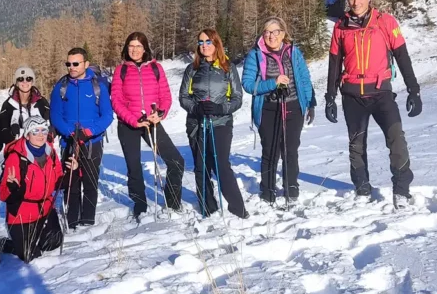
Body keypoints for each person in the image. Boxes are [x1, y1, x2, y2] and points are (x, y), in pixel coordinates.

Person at [324, 0, 422, 205]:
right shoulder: (340, 26)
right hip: (352, 95)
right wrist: (330, 97)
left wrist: (413, 90)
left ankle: (401, 189)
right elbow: (334, 63)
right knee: (356, 144)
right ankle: (362, 188)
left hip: (381, 93)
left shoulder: (386, 22)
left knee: (396, 138)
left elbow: (402, 57)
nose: (355, 2)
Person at [110, 31, 185, 221]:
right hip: (129, 124)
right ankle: (140, 208)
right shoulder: (121, 70)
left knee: (176, 161)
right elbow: (116, 101)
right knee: (134, 168)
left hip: (151, 122)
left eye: (138, 46)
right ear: (127, 48)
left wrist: (160, 113)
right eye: (131, 46)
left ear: (145, 49)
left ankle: (173, 203)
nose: (134, 50)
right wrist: (133, 119)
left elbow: (165, 97)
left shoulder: (156, 68)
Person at [243, 18, 316, 205]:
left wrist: (310, 102)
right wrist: (273, 83)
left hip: (293, 106)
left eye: (275, 31)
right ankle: (267, 190)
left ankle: (291, 187)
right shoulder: (255, 55)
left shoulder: (293, 52)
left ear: (283, 33)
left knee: (290, 150)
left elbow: (304, 78)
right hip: (268, 108)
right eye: (267, 32)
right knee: (270, 150)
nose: (271, 36)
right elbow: (249, 85)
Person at [179, 29, 248, 219]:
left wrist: (220, 108)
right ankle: (207, 207)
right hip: (197, 123)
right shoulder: (192, 69)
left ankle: (237, 208)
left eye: (208, 41)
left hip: (221, 122)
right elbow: (183, 97)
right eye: (201, 42)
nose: (204, 46)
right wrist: (196, 109)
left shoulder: (227, 68)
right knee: (201, 166)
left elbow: (237, 98)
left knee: (221, 165)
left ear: (216, 43)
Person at [49, 47, 114, 229]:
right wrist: (70, 132)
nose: (71, 67)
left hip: (92, 141)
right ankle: (72, 220)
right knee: (71, 182)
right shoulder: (61, 87)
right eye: (68, 64)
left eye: (76, 63)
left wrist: (88, 131)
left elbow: (107, 116)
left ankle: (88, 219)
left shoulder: (98, 86)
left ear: (85, 64)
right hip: (69, 141)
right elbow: (55, 115)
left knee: (91, 180)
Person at [0, 116, 78, 262]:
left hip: (45, 210)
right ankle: (7, 244)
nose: (40, 135)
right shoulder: (16, 157)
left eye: (43, 130)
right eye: (35, 131)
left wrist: (72, 173)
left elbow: (58, 183)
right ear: (27, 135)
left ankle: (35, 238)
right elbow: (3, 195)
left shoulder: (51, 153)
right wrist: (13, 188)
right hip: (21, 214)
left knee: (52, 243)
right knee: (30, 254)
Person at [0, 65, 52, 146]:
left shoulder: (42, 103)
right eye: (20, 79)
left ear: (32, 82)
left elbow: (49, 125)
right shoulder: (8, 105)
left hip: (39, 150)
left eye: (28, 78)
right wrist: (11, 133)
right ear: (16, 83)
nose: (25, 82)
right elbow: (2, 130)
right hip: (16, 150)